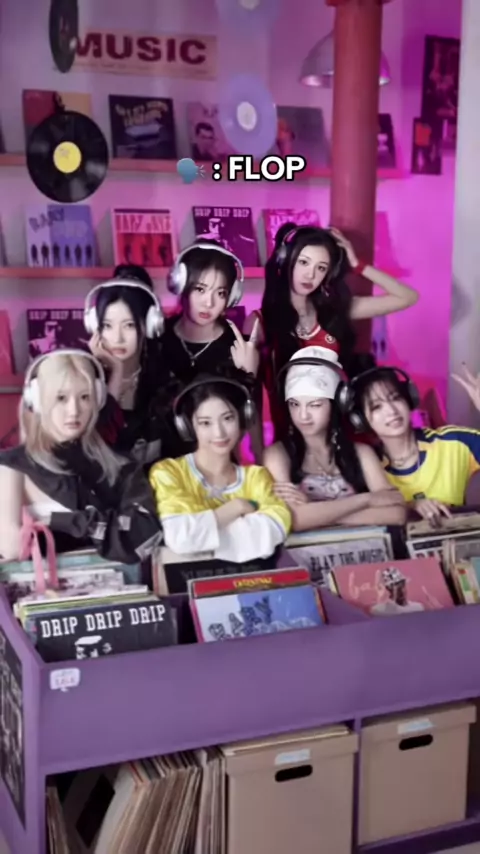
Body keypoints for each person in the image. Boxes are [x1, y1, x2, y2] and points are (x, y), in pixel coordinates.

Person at [244, 223, 419, 444]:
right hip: (290, 442)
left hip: (342, 437)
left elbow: (407, 297)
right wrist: (259, 453)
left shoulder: (334, 311)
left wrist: (357, 265)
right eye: (303, 262)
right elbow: (252, 399)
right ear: (284, 260)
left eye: (321, 268)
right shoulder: (259, 323)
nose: (310, 274)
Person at [0, 350, 162, 563]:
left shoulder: (122, 466)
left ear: (98, 399)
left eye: (85, 397)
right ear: (37, 400)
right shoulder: (12, 466)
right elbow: (12, 549)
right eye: (61, 398)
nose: (74, 410)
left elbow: (144, 536)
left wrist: (64, 521)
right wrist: (101, 526)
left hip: (122, 582)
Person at [263, 347, 406, 532]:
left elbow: (397, 513)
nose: (303, 415)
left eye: (315, 405)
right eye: (294, 404)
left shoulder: (361, 452)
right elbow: (293, 519)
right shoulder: (277, 455)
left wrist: (314, 512)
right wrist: (367, 499)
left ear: (337, 403)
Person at [149, 376, 291, 563]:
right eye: (205, 423)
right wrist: (236, 507)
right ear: (188, 427)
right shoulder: (169, 473)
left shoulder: (256, 477)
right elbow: (180, 538)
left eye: (228, 418)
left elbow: (276, 528)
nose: (219, 433)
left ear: (243, 418)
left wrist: (202, 533)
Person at [339, 365, 480, 523]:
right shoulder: (365, 466)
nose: (391, 411)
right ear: (359, 420)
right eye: (376, 407)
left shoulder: (454, 442)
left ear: (409, 399)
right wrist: (412, 506)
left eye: (395, 398)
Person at [84, 268, 172, 463]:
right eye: (107, 326)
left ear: (150, 325)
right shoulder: (83, 380)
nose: (118, 338)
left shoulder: (165, 380)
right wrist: (115, 376)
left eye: (129, 325)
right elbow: (89, 450)